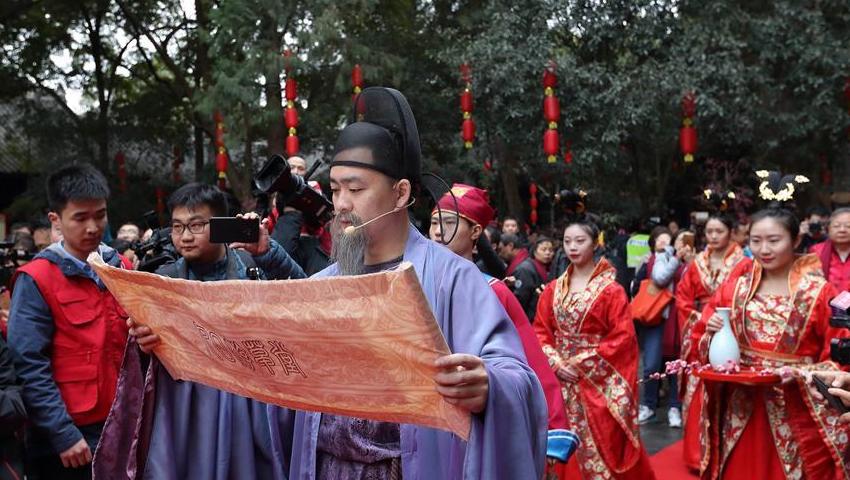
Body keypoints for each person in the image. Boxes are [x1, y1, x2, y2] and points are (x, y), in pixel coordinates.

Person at [264, 87, 545, 479]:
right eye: (335, 189)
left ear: (400, 194)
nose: (341, 204)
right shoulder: (322, 285)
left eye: (356, 189)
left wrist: (488, 386)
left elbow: (517, 376)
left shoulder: (452, 279)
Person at [93, 183, 306, 479]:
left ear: (220, 224)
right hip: (184, 409)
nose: (186, 236)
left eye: (196, 225)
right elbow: (144, 360)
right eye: (178, 227)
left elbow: (305, 299)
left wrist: (269, 253)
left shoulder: (251, 267)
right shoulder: (162, 281)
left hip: (248, 404)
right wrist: (143, 344)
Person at [691, 206, 850, 480]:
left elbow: (841, 354)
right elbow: (701, 337)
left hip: (795, 405)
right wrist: (713, 332)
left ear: (796, 240)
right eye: (755, 241)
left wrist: (801, 375)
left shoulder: (819, 293)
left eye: (774, 240)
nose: (764, 249)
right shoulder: (734, 289)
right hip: (741, 402)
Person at [428, 183, 571, 476]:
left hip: (475, 421)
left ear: (476, 232)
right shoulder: (415, 285)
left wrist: (553, 428)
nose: (438, 231)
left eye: (450, 222)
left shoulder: (494, 291)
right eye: (433, 223)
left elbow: (530, 363)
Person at [7, 164, 131, 480]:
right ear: (56, 220)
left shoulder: (121, 268)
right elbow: (28, 363)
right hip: (69, 435)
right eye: (80, 218)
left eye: (100, 215)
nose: (92, 227)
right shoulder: (37, 278)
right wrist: (62, 433)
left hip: (123, 421)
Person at [535, 217, 656, 480]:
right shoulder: (553, 289)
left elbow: (623, 338)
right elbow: (541, 331)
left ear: (595, 244)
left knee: (604, 441)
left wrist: (579, 363)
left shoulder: (612, 291)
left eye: (580, 241)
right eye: (567, 241)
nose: (572, 247)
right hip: (559, 379)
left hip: (596, 380)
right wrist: (555, 362)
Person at [674, 213, 749, 472]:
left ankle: (726, 452)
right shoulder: (696, 263)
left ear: (730, 233)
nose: (714, 236)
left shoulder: (744, 263)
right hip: (701, 331)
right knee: (698, 387)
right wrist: (702, 321)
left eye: (719, 231)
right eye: (709, 232)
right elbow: (683, 299)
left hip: (732, 329)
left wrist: (728, 322)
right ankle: (697, 454)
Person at [633, 227, 683, 428]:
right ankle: (648, 405)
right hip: (654, 317)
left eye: (667, 240)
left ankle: (674, 406)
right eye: (659, 241)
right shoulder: (653, 261)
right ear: (653, 243)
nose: (664, 244)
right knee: (651, 365)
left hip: (676, 317)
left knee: (676, 364)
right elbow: (655, 280)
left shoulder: (685, 261)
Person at [512, 237, 555, 321]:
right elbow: (521, 298)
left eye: (550, 250)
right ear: (535, 251)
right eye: (543, 249)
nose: (547, 253)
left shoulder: (549, 268)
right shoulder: (525, 269)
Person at [811, 207, 850, 293]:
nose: (842, 230)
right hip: (825, 300)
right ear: (828, 229)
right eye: (836, 226)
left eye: (848, 226)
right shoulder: (817, 251)